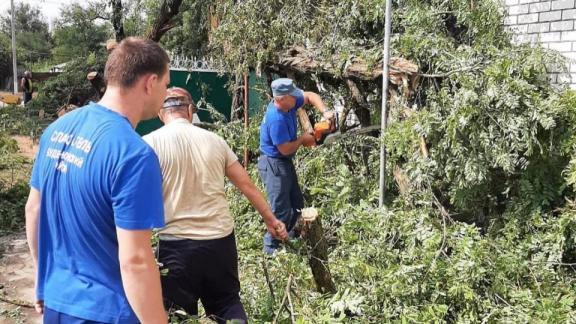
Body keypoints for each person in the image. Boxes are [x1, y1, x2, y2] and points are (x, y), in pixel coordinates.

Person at [25, 37, 170, 324]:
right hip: (106, 312)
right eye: (167, 83)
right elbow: (136, 261)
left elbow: (33, 209)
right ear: (150, 82)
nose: (165, 92)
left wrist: (44, 278)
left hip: (57, 304)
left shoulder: (57, 130)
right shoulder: (133, 154)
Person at [143, 87, 288, 324]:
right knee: (227, 304)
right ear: (190, 110)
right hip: (220, 242)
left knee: (178, 314)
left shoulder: (148, 144)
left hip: (175, 247)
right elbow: (247, 186)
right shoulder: (215, 141)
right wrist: (271, 221)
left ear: (161, 114)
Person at [258, 78, 333, 255]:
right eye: (292, 95)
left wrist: (325, 111)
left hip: (283, 161)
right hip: (273, 163)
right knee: (281, 209)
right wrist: (302, 140)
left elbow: (310, 96)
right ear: (281, 98)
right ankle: (271, 250)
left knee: (297, 205)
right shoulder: (276, 119)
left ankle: (290, 242)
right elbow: (284, 149)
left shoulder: (289, 102)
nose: (296, 97)